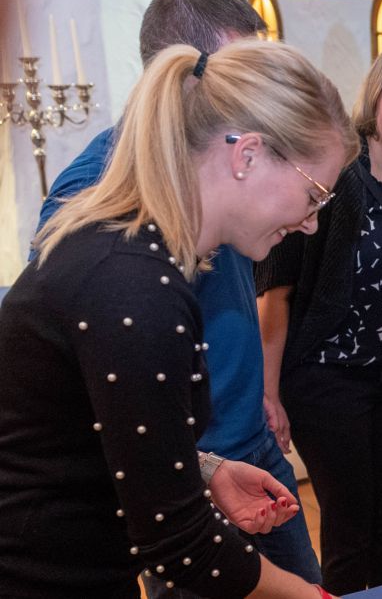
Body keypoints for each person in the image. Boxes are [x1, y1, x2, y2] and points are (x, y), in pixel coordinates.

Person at [0, 39, 357, 597]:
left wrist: (206, 469)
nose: (312, 223)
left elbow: (93, 427)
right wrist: (314, 596)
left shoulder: (141, 255)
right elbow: (180, 547)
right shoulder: (134, 284)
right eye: (315, 195)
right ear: (248, 156)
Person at [255, 39, 382, 593]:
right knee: (349, 532)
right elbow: (277, 289)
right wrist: (269, 392)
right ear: (375, 101)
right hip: (327, 380)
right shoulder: (333, 177)